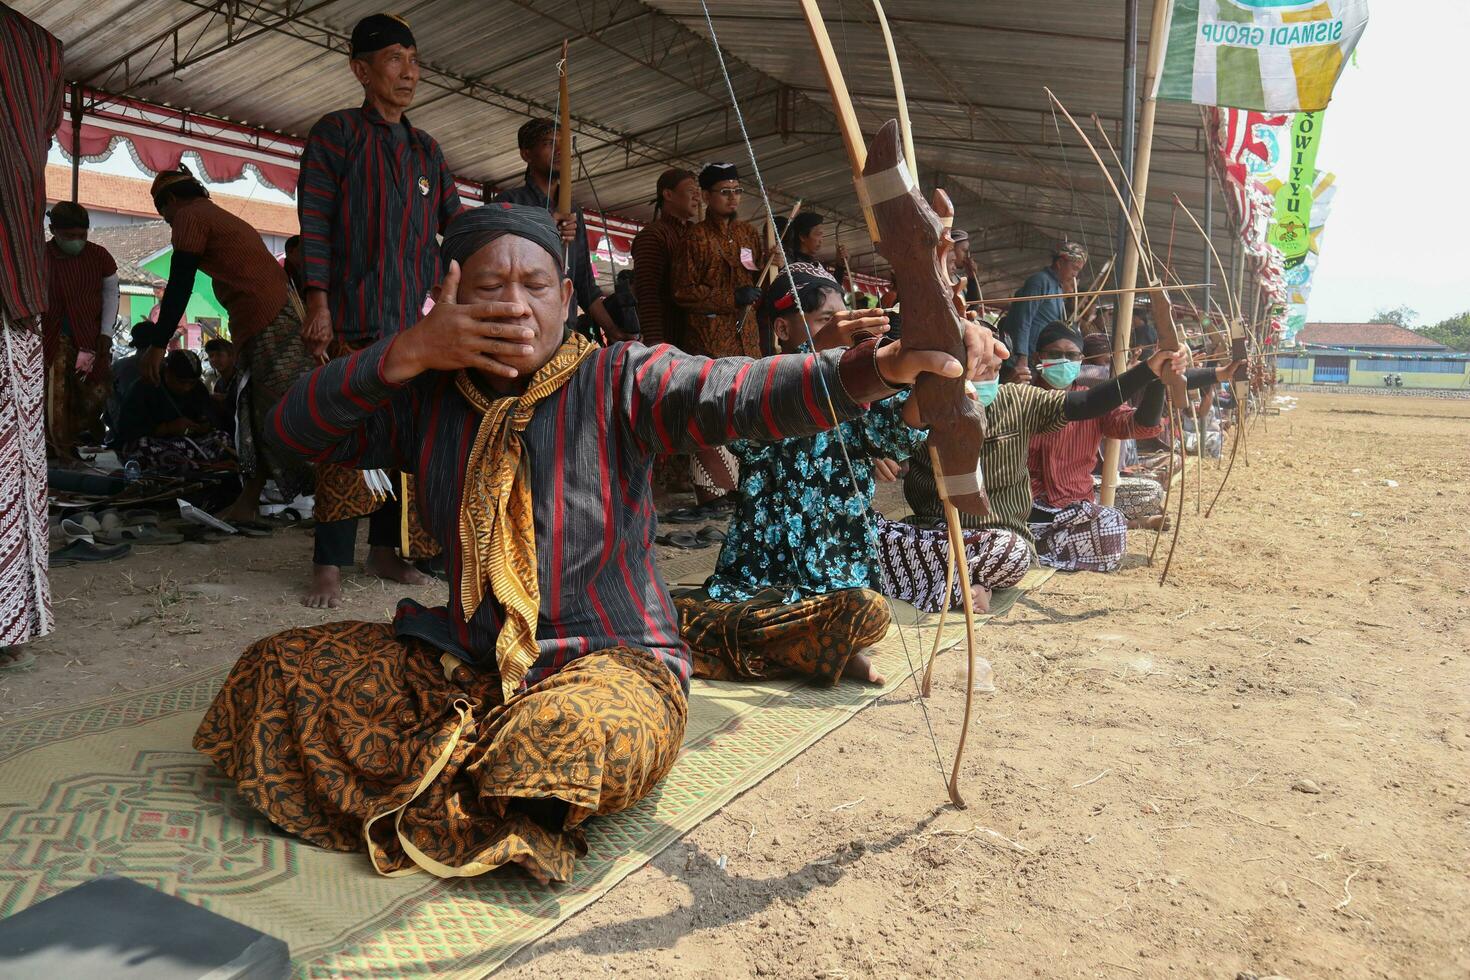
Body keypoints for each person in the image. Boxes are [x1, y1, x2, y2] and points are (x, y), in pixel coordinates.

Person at [192, 204, 1003, 884]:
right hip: (465, 661)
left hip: (610, 662)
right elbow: (295, 431)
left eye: (535, 285)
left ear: (569, 295)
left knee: (571, 738)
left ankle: (464, 765)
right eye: (487, 288)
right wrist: (403, 355)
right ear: (445, 298)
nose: (514, 305)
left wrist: (886, 364)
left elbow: (740, 393)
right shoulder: (424, 395)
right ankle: (471, 761)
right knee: (274, 673)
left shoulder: (619, 377)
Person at [297, 12, 464, 607]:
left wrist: (530, 232)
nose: (409, 72)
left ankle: (387, 551)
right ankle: (329, 563)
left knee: (406, 438)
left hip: (415, 325)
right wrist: (318, 303)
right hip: (353, 313)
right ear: (361, 70)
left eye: (414, 60)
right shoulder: (337, 133)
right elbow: (313, 222)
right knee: (347, 437)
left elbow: (458, 227)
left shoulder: (426, 149)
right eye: (395, 59)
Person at [679, 269, 909, 687]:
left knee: (867, 611)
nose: (842, 331)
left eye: (847, 320)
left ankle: (810, 646)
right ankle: (810, 650)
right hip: (755, 583)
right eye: (826, 320)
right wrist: (815, 356)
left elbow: (895, 434)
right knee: (672, 616)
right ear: (783, 328)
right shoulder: (753, 381)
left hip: (835, 588)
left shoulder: (856, 387)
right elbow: (744, 440)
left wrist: (917, 370)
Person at [904, 321, 1189, 583]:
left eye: (995, 371)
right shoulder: (949, 403)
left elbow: (1111, 412)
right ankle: (985, 567)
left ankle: (1012, 560)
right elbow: (907, 433)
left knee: (1111, 521)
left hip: (1051, 517)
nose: (1064, 361)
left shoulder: (1024, 400)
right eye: (980, 369)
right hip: (979, 521)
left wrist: (1153, 375)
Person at [148, 167, 316, 524]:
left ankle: (328, 496)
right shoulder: (214, 215)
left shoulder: (190, 215)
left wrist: (158, 343)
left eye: (163, 213)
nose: (167, 221)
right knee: (257, 409)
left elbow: (180, 281)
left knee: (285, 407)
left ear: (172, 200)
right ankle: (250, 500)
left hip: (268, 317)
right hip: (267, 315)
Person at [0, 5, 63, 672]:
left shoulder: (38, 46)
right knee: (11, 462)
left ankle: (7, 621)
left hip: (12, 282)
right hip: (14, 279)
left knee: (11, 460)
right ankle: (8, 621)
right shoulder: (39, 46)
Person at [671, 162, 764, 503]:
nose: (732, 198)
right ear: (707, 197)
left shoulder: (749, 234)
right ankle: (712, 491)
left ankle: (743, 486)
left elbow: (758, 276)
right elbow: (682, 291)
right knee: (710, 411)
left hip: (746, 339)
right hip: (708, 339)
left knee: (744, 410)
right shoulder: (693, 238)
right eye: (725, 192)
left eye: (737, 191)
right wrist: (729, 298)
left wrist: (760, 285)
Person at [496, 117, 619, 341]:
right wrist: (545, 227)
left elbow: (584, 284)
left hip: (566, 329)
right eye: (549, 143)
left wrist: (613, 330)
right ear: (526, 154)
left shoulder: (573, 211)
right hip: (521, 324)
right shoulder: (509, 202)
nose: (560, 151)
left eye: (564, 145)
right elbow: (498, 262)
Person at [41, 202, 119, 463]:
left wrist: (106, 333)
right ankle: (59, 450)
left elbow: (110, 293)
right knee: (56, 398)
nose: (77, 241)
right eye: (69, 236)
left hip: (90, 338)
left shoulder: (99, 256)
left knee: (94, 393)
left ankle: (72, 441)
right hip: (52, 339)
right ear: (53, 230)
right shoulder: (40, 256)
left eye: (82, 235)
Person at [114, 349, 233, 474]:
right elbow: (126, 431)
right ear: (167, 372)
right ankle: (201, 466)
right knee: (143, 447)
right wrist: (167, 428)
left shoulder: (198, 388)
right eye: (181, 382)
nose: (186, 388)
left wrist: (204, 425)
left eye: (191, 383)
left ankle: (191, 466)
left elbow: (207, 418)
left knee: (222, 438)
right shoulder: (145, 387)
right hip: (157, 445)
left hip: (189, 446)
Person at [630, 167, 698, 348]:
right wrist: (656, 346)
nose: (697, 197)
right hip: (671, 340)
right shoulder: (653, 236)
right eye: (691, 191)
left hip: (698, 340)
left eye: (698, 192)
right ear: (668, 194)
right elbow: (647, 294)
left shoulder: (697, 234)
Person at [996, 241, 1086, 376]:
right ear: (1060, 263)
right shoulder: (1040, 281)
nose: (1075, 275)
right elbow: (1023, 320)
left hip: (1037, 358)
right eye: (1074, 268)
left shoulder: (1057, 287)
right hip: (1024, 359)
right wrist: (1022, 358)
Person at [203, 336, 238, 438]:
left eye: (219, 355)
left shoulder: (241, 381)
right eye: (211, 356)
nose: (214, 359)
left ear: (232, 357)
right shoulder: (219, 384)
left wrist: (227, 400)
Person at [950, 229, 982, 305]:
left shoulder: (957, 280)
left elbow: (971, 307)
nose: (967, 256)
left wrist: (972, 279)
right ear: (951, 248)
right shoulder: (938, 275)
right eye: (964, 250)